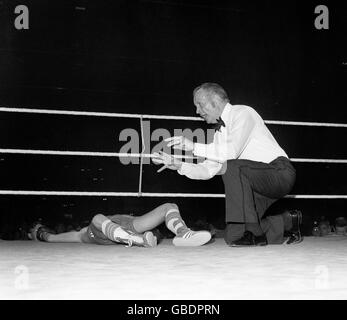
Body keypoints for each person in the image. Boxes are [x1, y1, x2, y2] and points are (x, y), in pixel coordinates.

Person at [152, 83, 301, 246]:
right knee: (233, 236)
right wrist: (180, 165)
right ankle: (288, 222)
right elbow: (209, 169)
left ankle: (254, 233)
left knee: (231, 167)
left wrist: (193, 147)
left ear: (215, 100)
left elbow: (231, 153)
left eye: (200, 105)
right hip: (253, 186)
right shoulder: (219, 134)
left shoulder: (244, 113)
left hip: (279, 173)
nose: (197, 111)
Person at [29, 203, 212, 248]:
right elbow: (56, 237)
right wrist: (41, 234)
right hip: (119, 229)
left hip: (129, 228)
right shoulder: (85, 233)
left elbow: (55, 237)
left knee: (171, 206)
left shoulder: (84, 234)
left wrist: (42, 234)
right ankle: (134, 239)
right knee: (98, 217)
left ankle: (184, 234)